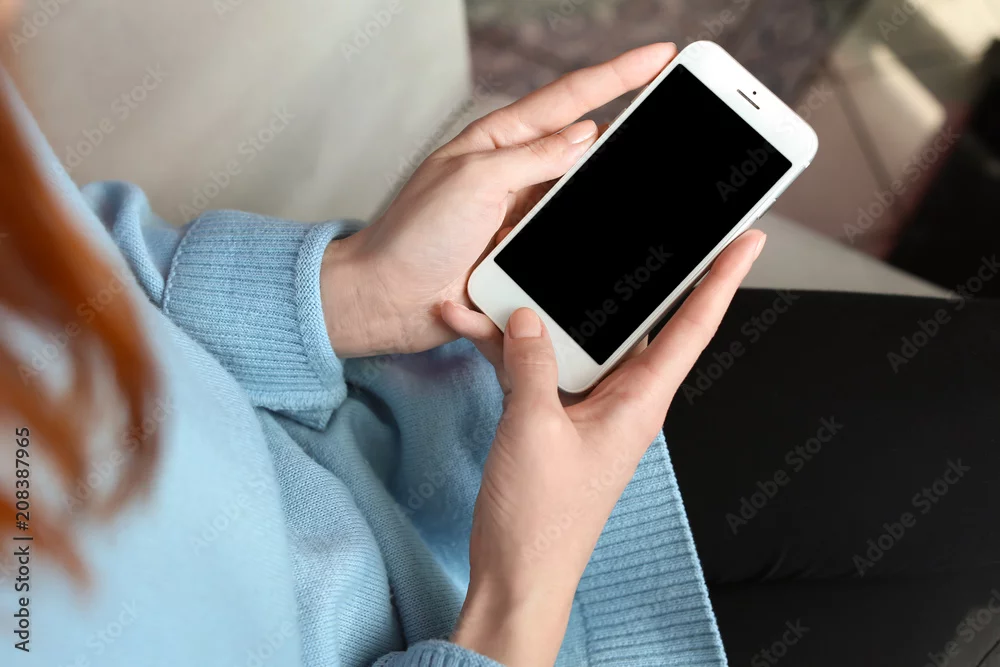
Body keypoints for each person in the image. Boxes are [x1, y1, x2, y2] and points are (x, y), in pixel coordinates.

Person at [1, 37, 760, 665]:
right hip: (500, 598)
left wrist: (353, 294)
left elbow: (81, 269)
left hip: (415, 413)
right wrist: (520, 599)